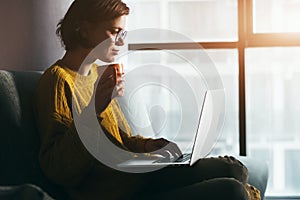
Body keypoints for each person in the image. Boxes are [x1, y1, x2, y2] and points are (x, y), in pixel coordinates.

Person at [34, 0, 260, 199]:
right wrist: (95, 107)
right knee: (233, 190)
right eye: (114, 31)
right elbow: (59, 167)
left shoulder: (95, 75)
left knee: (234, 169)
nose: (121, 42)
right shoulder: (57, 81)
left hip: (135, 176)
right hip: (116, 190)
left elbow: (120, 140)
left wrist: (149, 145)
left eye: (123, 33)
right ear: (83, 29)